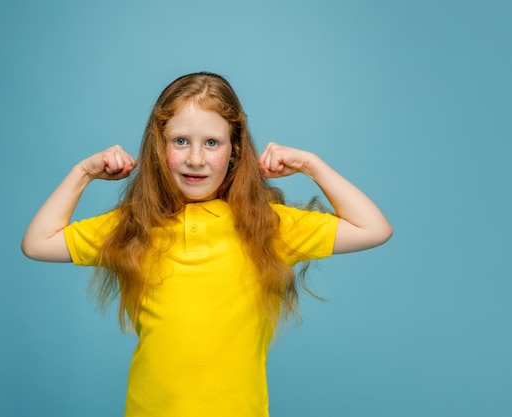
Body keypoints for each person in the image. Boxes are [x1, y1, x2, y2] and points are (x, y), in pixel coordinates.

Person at [21, 72, 392, 417]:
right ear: (158, 147)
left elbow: (372, 228)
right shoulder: (134, 226)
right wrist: (82, 173)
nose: (195, 159)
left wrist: (312, 165)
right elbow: (38, 243)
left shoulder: (268, 225)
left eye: (211, 142)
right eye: (180, 141)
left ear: (234, 150)